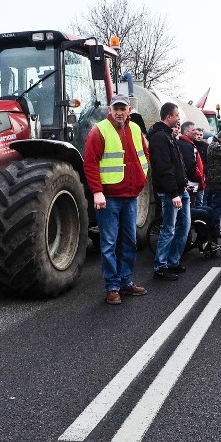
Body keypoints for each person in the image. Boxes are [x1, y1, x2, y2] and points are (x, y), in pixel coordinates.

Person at [83, 93, 150, 305]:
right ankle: (112, 287)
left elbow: (144, 156)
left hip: (131, 196)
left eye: (123, 108)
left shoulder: (136, 129)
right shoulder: (99, 130)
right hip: (109, 198)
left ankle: (126, 282)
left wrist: (141, 179)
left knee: (129, 241)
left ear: (129, 110)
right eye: (116, 108)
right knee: (109, 243)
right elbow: (90, 163)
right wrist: (97, 191)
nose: (119, 112)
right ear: (110, 110)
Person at [147, 102, 190, 281]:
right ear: (168, 117)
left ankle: (173, 261)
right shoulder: (159, 138)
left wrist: (183, 184)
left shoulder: (169, 136)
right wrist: (173, 194)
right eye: (177, 115)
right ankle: (161, 266)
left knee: (184, 226)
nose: (178, 118)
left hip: (180, 190)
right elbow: (163, 168)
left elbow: (176, 164)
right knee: (169, 229)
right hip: (170, 193)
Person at [177, 121, 219, 252]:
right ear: (186, 132)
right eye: (193, 130)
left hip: (191, 187)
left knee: (206, 210)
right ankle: (205, 243)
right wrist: (200, 178)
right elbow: (190, 168)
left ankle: (208, 242)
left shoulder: (190, 144)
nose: (196, 132)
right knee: (203, 213)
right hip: (188, 188)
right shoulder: (186, 146)